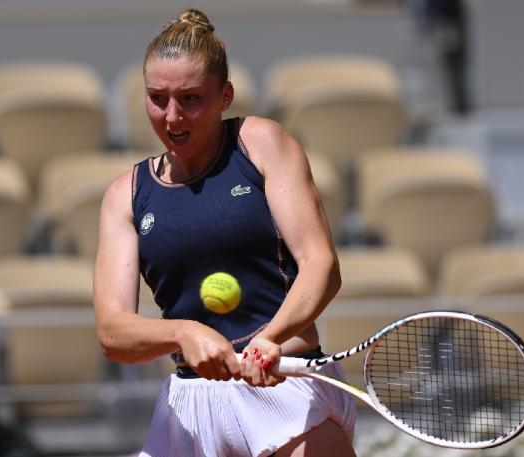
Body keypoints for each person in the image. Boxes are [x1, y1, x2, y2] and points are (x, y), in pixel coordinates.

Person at [93, 9, 356, 457]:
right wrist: (183, 334)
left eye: (191, 98)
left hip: (286, 387)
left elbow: (322, 266)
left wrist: (270, 338)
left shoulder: (263, 144)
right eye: (158, 98)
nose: (173, 116)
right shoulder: (125, 195)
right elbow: (113, 332)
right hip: (189, 410)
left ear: (225, 95)